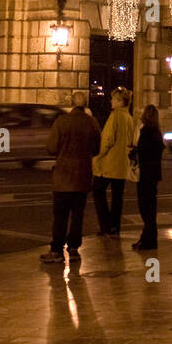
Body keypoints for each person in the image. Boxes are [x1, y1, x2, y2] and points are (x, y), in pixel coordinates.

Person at [41, 90, 101, 264]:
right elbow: (97, 149)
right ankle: (74, 248)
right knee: (78, 215)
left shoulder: (62, 121)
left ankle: (57, 250)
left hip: (63, 176)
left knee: (60, 215)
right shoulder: (92, 123)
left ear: (72, 103)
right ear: (86, 104)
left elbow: (51, 147)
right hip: (83, 175)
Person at [92, 87, 135, 236]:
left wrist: (98, 156)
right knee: (117, 196)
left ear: (119, 101)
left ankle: (105, 225)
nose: (111, 101)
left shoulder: (115, 116)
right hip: (122, 163)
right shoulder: (129, 118)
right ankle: (115, 226)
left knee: (98, 190)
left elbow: (107, 140)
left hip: (109, 163)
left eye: (113, 99)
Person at [131, 104, 164, 251]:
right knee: (150, 208)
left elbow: (143, 151)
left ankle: (149, 240)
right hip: (154, 173)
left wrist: (134, 153)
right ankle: (147, 238)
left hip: (146, 174)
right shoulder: (157, 132)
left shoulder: (146, 131)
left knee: (146, 208)